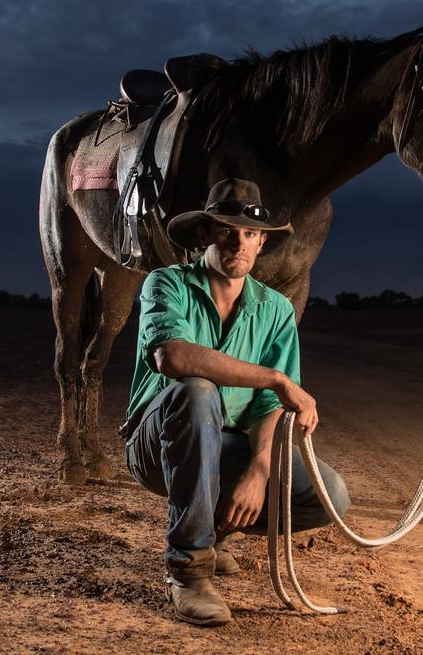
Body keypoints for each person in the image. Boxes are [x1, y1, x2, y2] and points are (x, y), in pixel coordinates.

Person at [121, 177, 351, 627]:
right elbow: (174, 356)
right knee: (197, 390)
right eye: (227, 229)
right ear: (206, 233)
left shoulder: (276, 310)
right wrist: (276, 377)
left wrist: (260, 468)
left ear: (262, 241)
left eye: (250, 233)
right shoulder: (165, 284)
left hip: (224, 448)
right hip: (158, 444)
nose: (238, 241)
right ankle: (188, 569)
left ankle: (214, 529)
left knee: (330, 495)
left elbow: (269, 407)